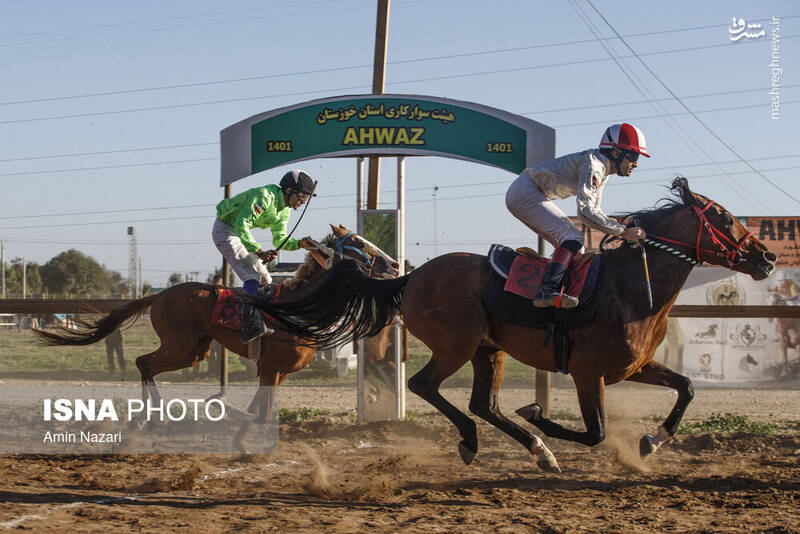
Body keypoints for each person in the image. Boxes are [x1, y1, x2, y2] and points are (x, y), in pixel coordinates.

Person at [505, 123, 649, 309]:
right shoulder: (594, 166)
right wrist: (623, 231)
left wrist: (621, 229)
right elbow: (585, 212)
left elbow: (595, 212)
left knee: (577, 248)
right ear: (615, 153)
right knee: (572, 237)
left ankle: (559, 292)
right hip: (525, 193)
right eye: (633, 157)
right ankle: (546, 291)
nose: (635, 164)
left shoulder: (602, 169)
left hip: (527, 192)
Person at [213, 169, 317, 343]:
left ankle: (264, 320)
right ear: (288, 190)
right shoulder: (264, 197)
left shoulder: (285, 210)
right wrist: (260, 252)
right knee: (252, 276)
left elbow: (279, 239)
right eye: (301, 196)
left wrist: (300, 244)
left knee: (266, 279)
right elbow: (241, 224)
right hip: (225, 230)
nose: (303, 202)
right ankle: (249, 325)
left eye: (306, 197)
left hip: (239, 233)